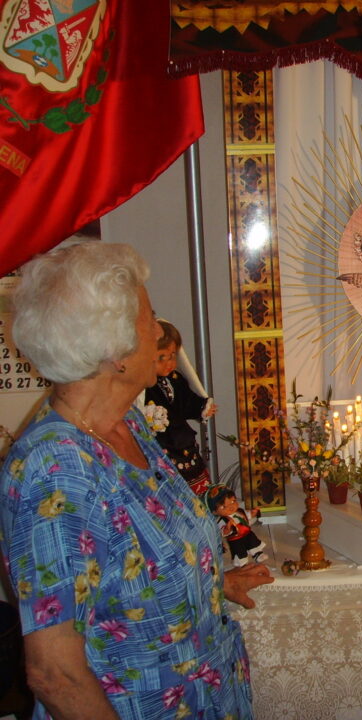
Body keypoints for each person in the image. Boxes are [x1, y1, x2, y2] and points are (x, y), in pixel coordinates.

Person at [0, 242, 274, 720]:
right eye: (149, 319)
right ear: (117, 352)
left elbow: (133, 569)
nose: (159, 331)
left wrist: (205, 583)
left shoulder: (130, 424)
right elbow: (54, 673)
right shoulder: (55, 471)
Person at [144, 320, 217, 496]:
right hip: (162, 445)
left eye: (172, 355)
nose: (169, 362)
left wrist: (201, 407)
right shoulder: (144, 386)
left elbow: (186, 400)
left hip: (182, 439)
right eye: (162, 357)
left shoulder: (175, 379)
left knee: (198, 487)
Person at [206, 484, 267, 567]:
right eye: (224, 506)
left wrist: (252, 513)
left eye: (233, 501)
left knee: (253, 542)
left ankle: (257, 554)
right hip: (235, 539)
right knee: (239, 551)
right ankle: (242, 563)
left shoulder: (239, 511)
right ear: (214, 512)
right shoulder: (222, 520)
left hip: (247, 533)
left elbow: (246, 516)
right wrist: (227, 529)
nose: (231, 507)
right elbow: (222, 532)